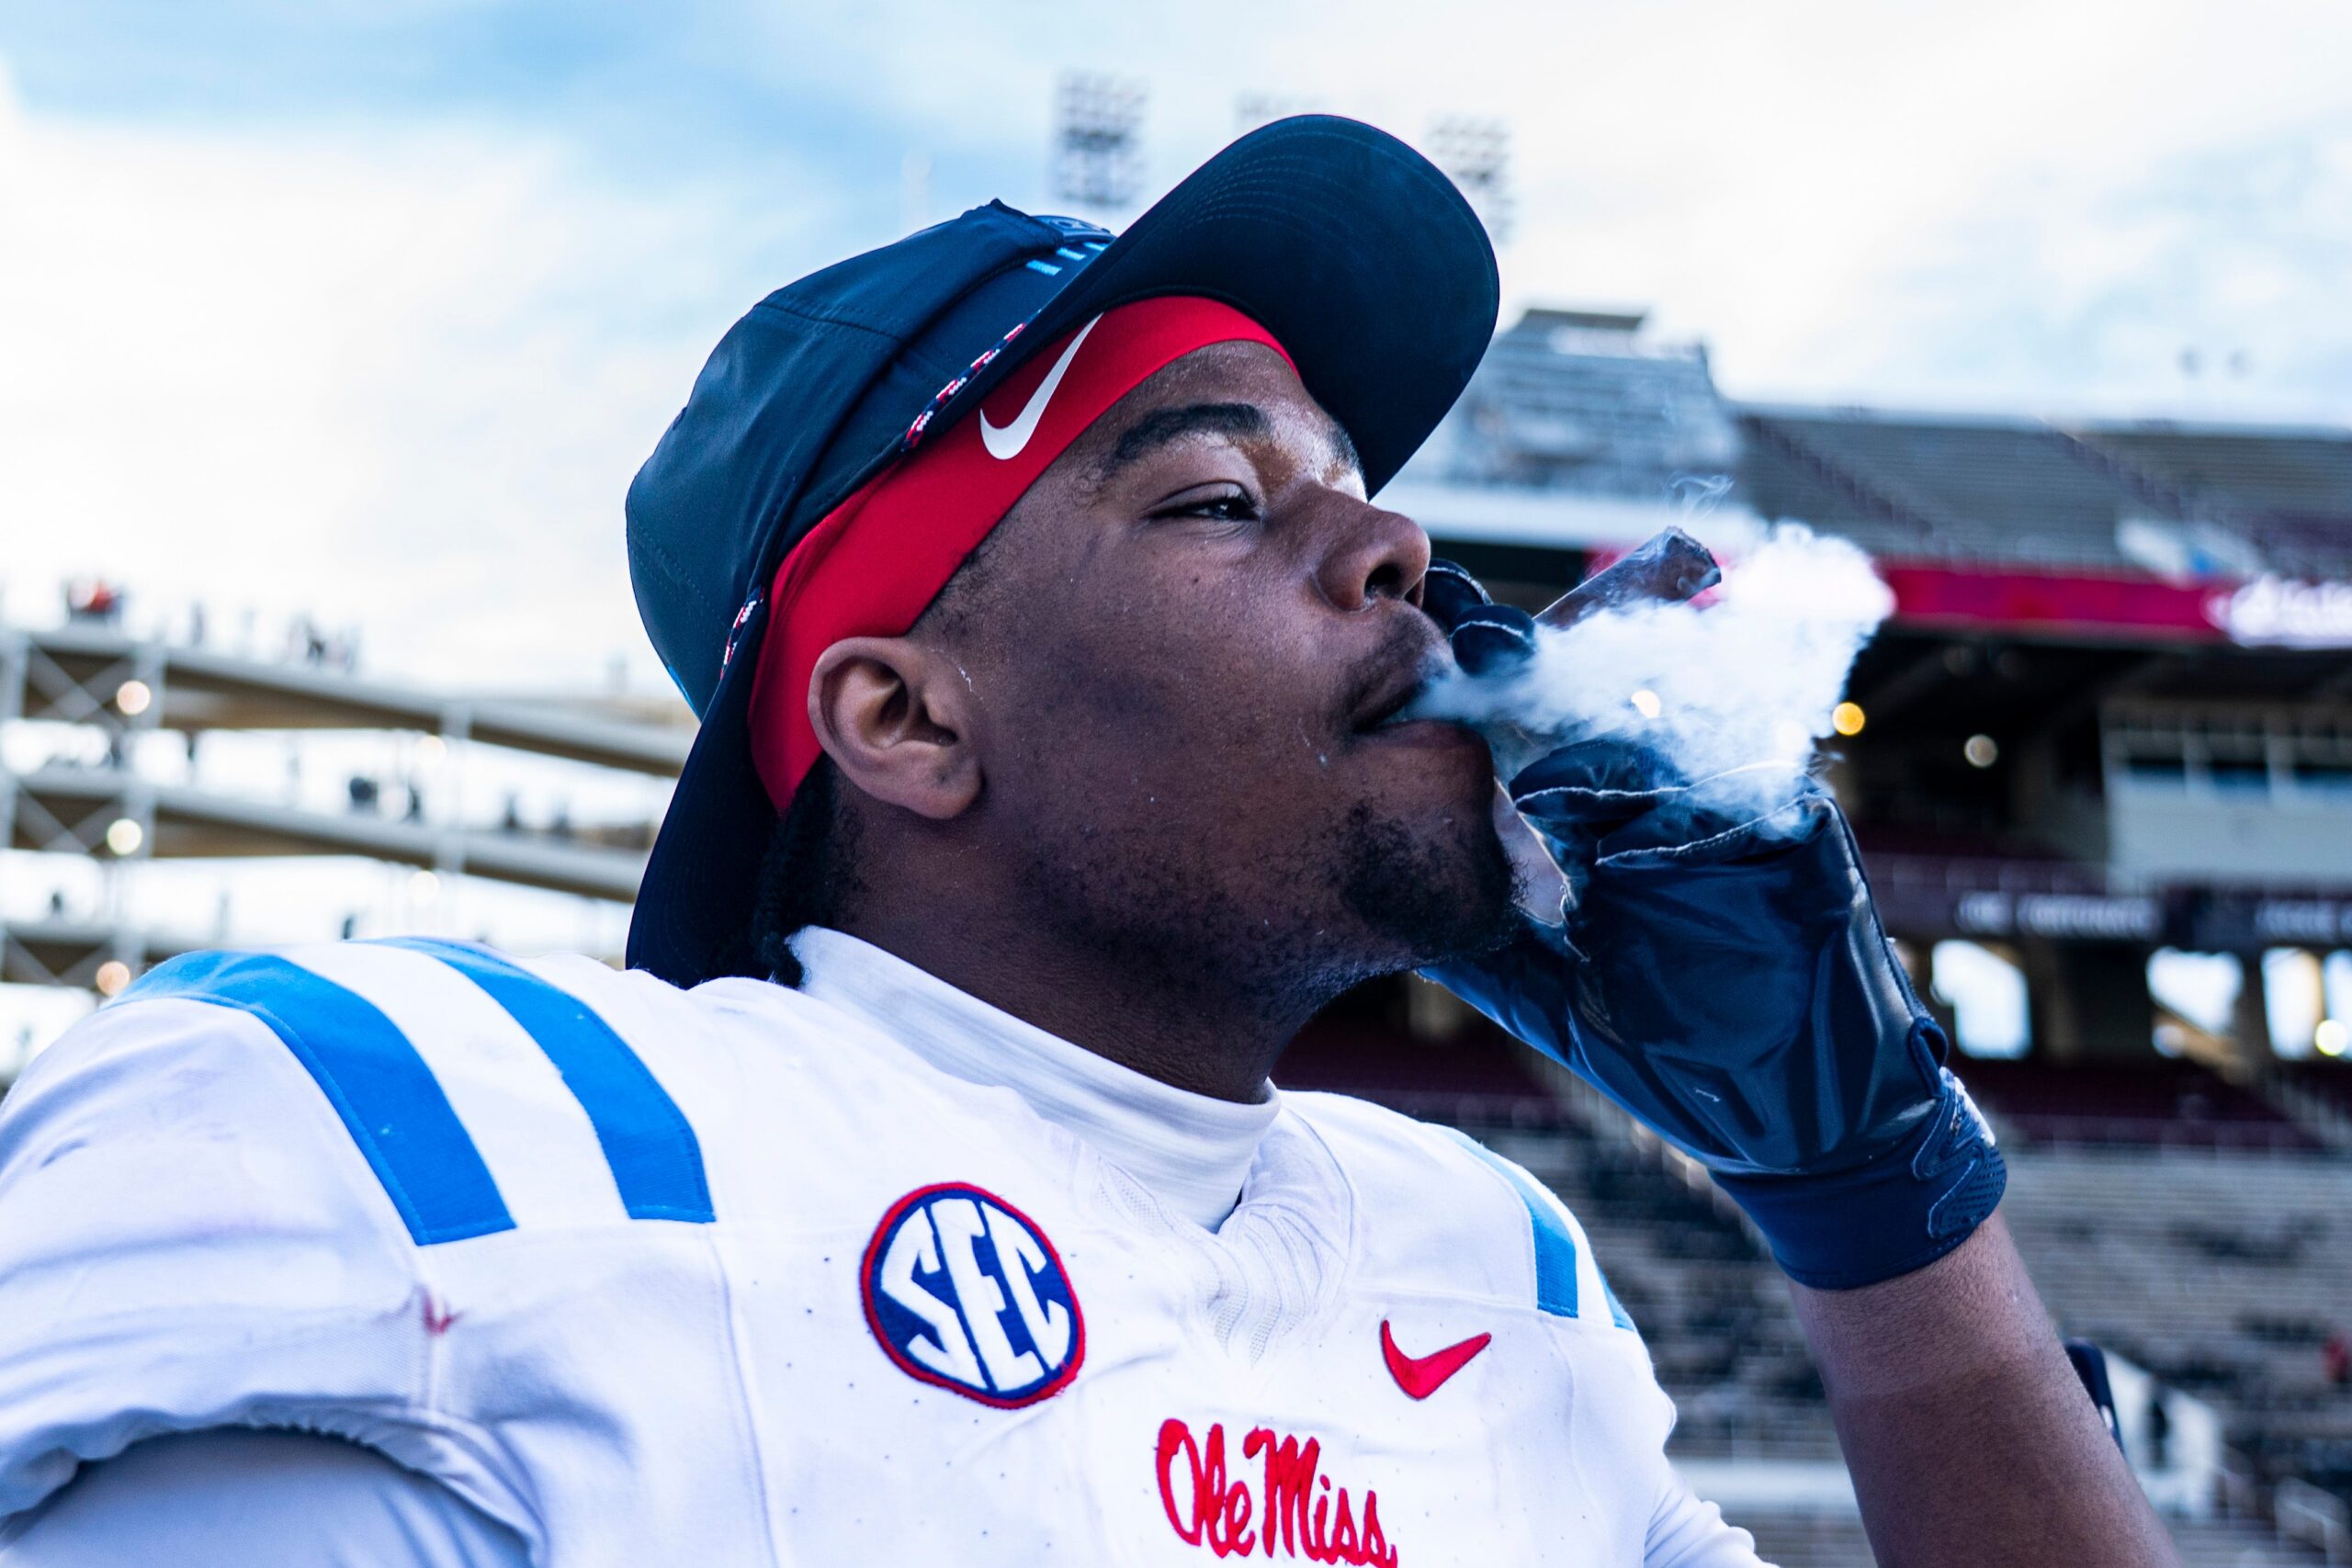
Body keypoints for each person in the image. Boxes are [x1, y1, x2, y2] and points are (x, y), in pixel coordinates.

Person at [0, 118, 2172, 1567]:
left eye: (1356, 476)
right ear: (902, 711)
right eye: (1222, 497)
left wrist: (1868, 1189)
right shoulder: (451, 1154)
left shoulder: (1492, 1268)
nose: (1395, 547)